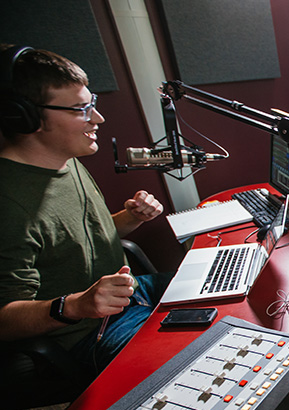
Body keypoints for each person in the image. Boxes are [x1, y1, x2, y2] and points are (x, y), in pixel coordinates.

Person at [0, 45, 170, 373]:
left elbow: (80, 239)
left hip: (133, 291)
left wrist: (131, 217)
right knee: (188, 367)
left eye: (92, 104)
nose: (97, 118)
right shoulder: (8, 205)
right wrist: (77, 304)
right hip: (91, 331)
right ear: (25, 117)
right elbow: (4, 319)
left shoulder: (65, 158)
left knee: (236, 292)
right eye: (81, 109)